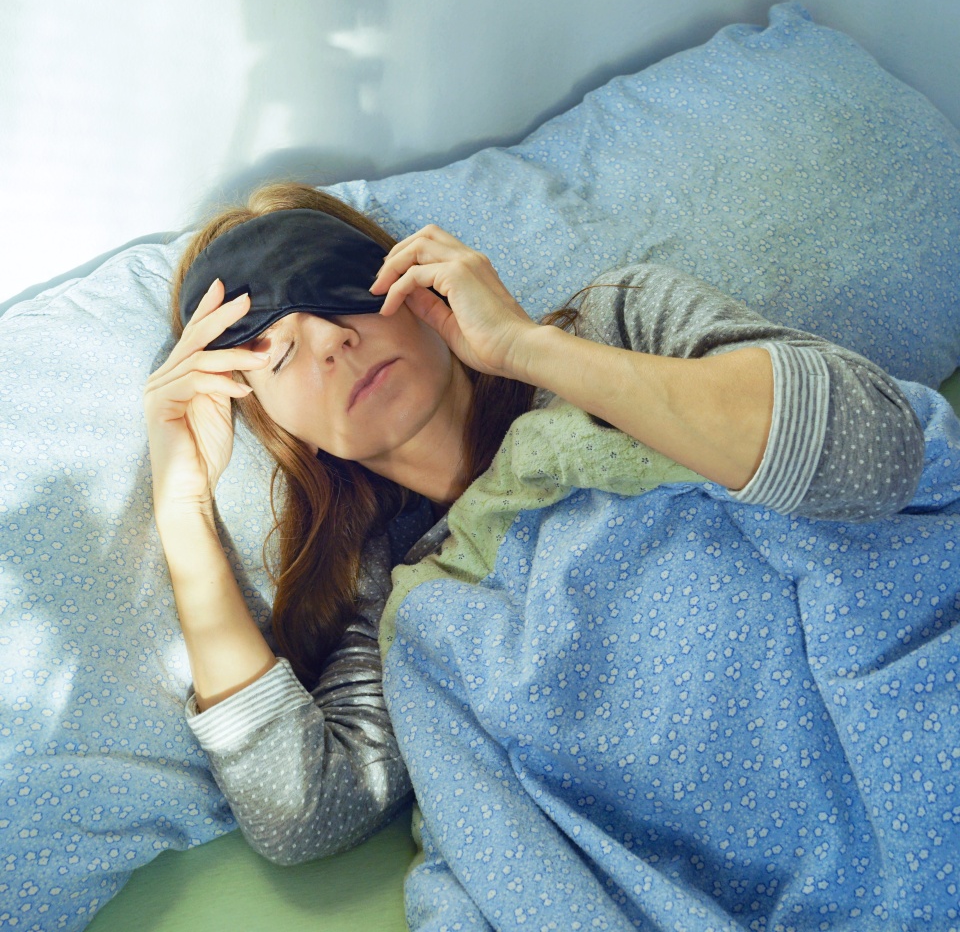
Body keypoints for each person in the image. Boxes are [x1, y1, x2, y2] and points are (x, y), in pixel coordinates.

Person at [143, 181, 927, 883]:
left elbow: (871, 451)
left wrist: (524, 346)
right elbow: (304, 815)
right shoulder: (401, 603)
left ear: (419, 281)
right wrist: (182, 511)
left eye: (344, 294)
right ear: (284, 431)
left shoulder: (624, 323)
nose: (331, 341)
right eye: (277, 355)